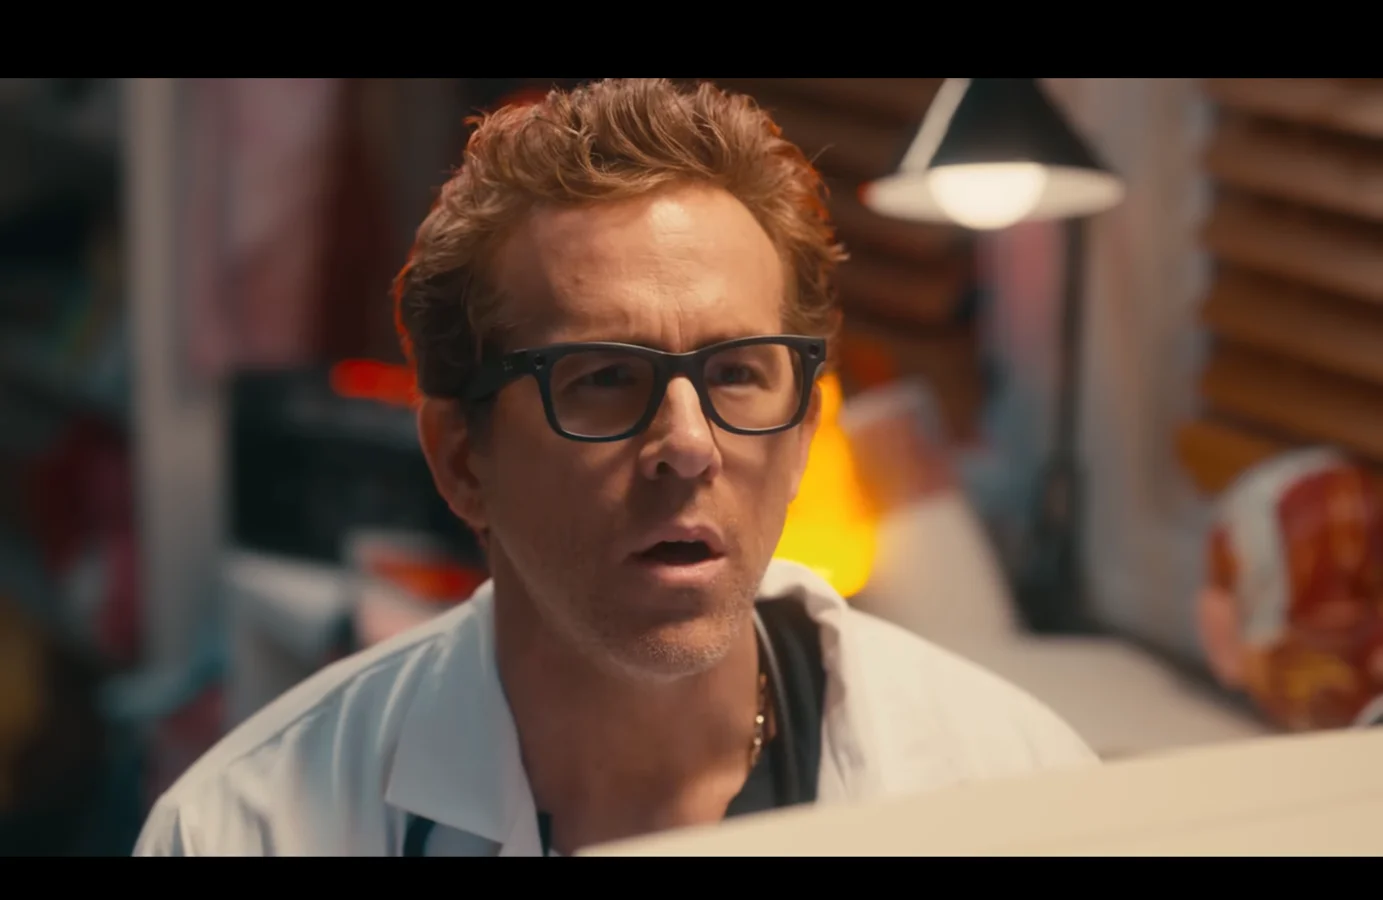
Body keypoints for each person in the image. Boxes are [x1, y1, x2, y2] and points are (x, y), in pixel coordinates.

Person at [134, 78, 1096, 857]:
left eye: (736, 373)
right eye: (600, 378)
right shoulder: (242, 832)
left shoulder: (1018, 790)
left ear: (803, 435)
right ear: (461, 457)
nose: (689, 444)